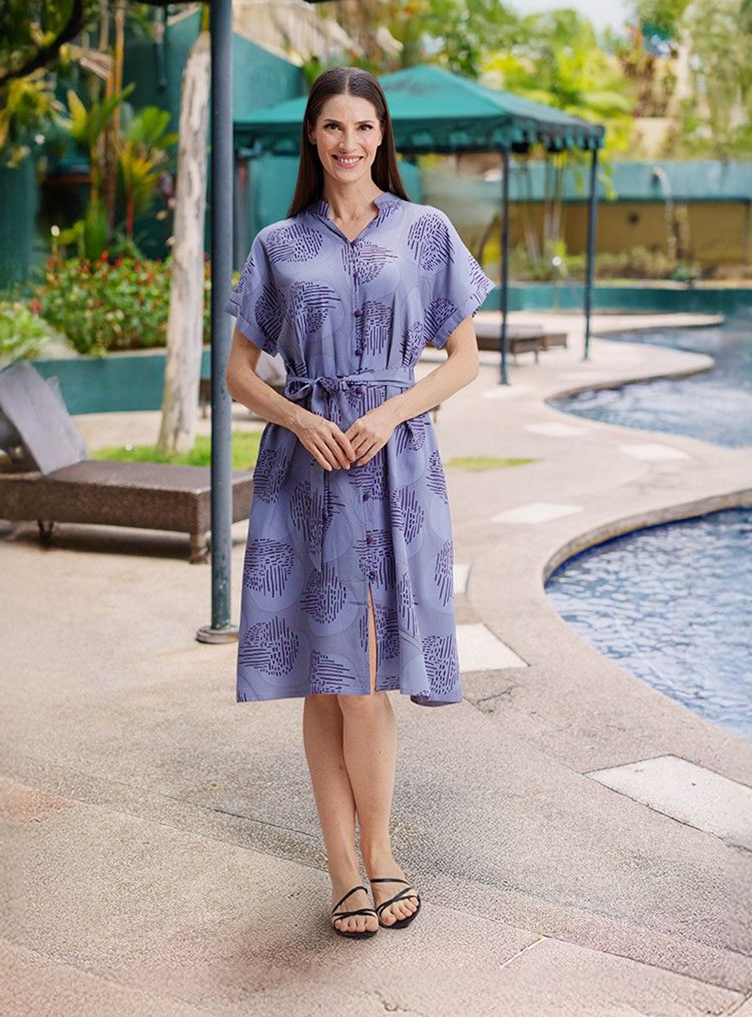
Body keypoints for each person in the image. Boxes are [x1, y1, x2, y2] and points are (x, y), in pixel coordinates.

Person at [224, 66, 494, 939]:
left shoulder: (425, 230)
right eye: (334, 126)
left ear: (383, 137)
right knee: (326, 673)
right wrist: (298, 417)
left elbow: (462, 359)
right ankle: (343, 864)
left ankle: (378, 849)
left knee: (368, 675)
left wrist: (390, 410)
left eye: (365, 127)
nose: (349, 142)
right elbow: (237, 374)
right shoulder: (278, 243)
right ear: (313, 134)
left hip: (394, 464)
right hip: (305, 468)